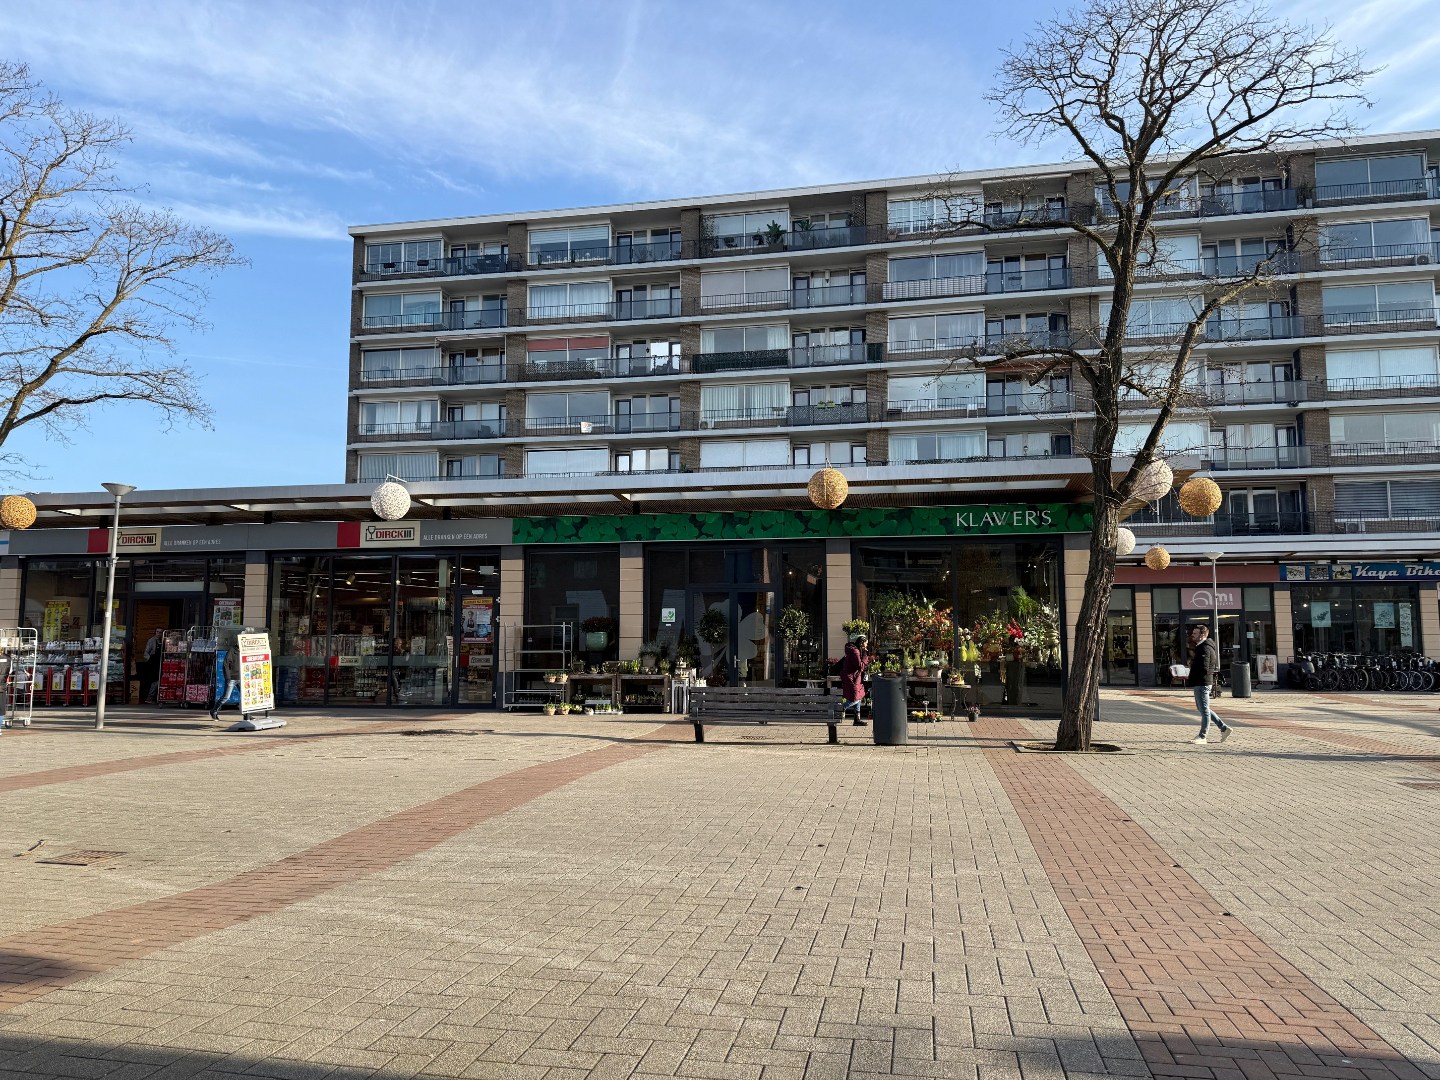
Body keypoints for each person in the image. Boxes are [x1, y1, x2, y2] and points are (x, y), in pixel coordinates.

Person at [1186, 624, 1231, 745]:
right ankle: (1224, 728)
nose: (1192, 635)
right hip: (1201, 682)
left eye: (1195, 634)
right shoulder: (1203, 647)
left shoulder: (1205, 648)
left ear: (1202, 635)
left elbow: (1204, 668)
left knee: (1204, 710)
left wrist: (1193, 670)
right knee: (1203, 708)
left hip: (1202, 682)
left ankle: (1202, 736)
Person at [839, 635, 870, 726]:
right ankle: (840, 709)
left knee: (859, 696)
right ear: (861, 643)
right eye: (866, 643)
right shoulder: (855, 652)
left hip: (856, 677)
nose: (866, 645)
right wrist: (865, 655)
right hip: (851, 677)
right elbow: (860, 666)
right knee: (854, 698)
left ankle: (857, 719)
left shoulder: (856, 650)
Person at [211, 646, 239, 720]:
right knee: (226, 697)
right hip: (232, 677)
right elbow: (225, 664)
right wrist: (228, 677)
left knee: (246, 697)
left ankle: (247, 715)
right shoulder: (232, 650)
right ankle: (214, 710)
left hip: (242, 677)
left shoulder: (245, 650)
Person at [141, 628, 164, 704]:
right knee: (154, 680)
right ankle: (149, 697)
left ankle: (156, 697)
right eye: (157, 632)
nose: (158, 633)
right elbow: (146, 653)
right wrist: (150, 660)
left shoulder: (163, 641)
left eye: (160, 632)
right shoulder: (151, 641)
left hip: (160, 662)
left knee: (159, 680)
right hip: (153, 663)